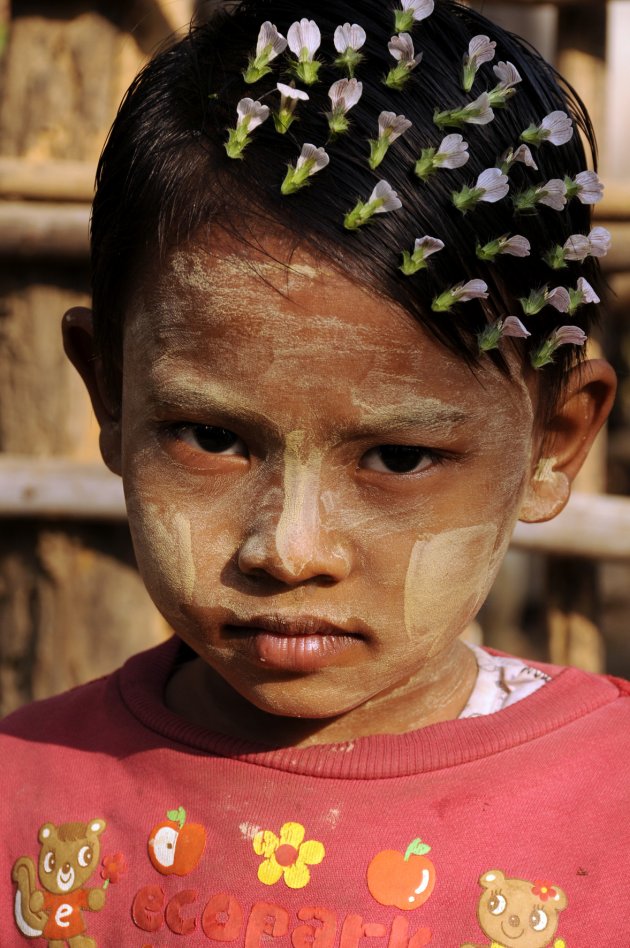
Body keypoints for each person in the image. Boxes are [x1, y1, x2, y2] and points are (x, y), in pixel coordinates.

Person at [2, 0, 627, 944]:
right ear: (110, 392)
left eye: (400, 457)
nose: (291, 551)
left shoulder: (612, 804)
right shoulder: (22, 790)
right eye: (210, 438)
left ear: (554, 442)